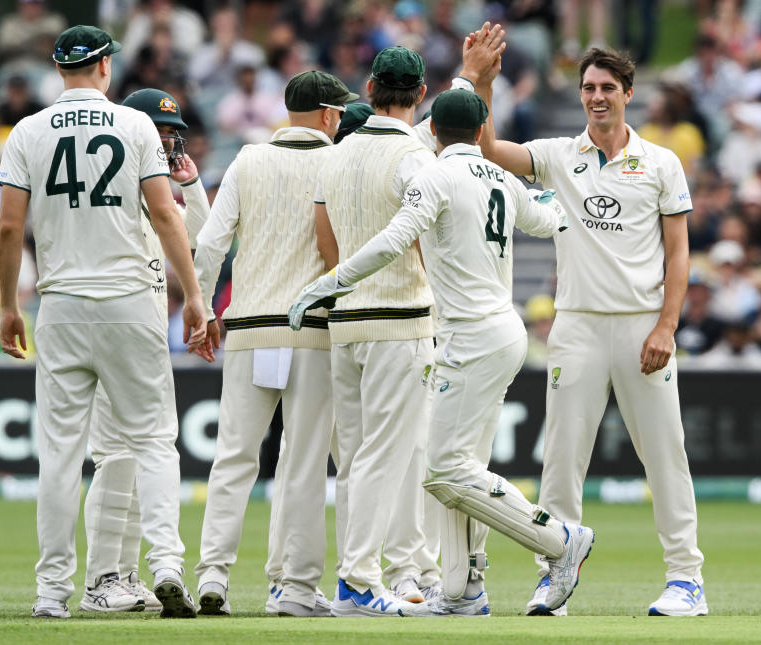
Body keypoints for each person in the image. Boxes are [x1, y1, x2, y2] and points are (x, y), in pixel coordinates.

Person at [290, 88, 594, 618]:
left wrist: (328, 284)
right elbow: (553, 221)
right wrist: (559, 196)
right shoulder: (502, 178)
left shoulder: (434, 176)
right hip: (504, 329)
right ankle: (462, 589)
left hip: (471, 338)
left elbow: (392, 242)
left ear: (432, 133)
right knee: (461, 469)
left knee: (443, 470)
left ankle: (560, 541)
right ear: (481, 132)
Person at [477, 47, 707, 616]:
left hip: (641, 328)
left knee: (665, 455)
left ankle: (687, 580)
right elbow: (486, 150)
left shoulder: (660, 162)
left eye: (608, 87)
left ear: (629, 93)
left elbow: (678, 256)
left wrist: (666, 326)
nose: (597, 97)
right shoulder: (560, 155)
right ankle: (553, 573)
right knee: (561, 459)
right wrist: (481, 82)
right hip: (576, 324)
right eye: (588, 88)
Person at [0, 25, 207, 619]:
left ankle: (51, 593)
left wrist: (10, 304)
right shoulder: (135, 125)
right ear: (106, 67)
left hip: (59, 302)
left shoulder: (28, 131)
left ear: (60, 69)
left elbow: (10, 227)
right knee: (154, 441)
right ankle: (165, 564)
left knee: (60, 453)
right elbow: (165, 214)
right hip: (130, 300)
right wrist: (193, 296)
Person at [190, 70, 358, 618]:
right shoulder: (339, 161)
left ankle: (213, 576)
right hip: (311, 331)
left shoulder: (247, 158)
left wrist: (202, 311)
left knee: (233, 457)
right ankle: (293, 586)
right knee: (303, 462)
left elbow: (212, 242)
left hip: (246, 328)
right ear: (331, 116)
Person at [301, 46, 437, 617]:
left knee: (357, 459)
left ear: (371, 87)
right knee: (387, 456)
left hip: (346, 323)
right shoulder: (416, 155)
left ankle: (360, 576)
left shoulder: (335, 152)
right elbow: (424, 239)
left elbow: (326, 240)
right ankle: (359, 581)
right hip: (399, 320)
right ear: (420, 94)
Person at [79, 87, 210, 614]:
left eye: (169, 132)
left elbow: (199, 235)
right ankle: (103, 579)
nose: (164, 141)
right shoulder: (112, 196)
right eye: (154, 131)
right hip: (113, 335)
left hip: (144, 339)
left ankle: (122, 577)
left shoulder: (162, 195)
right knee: (118, 457)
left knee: (135, 461)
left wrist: (193, 185)